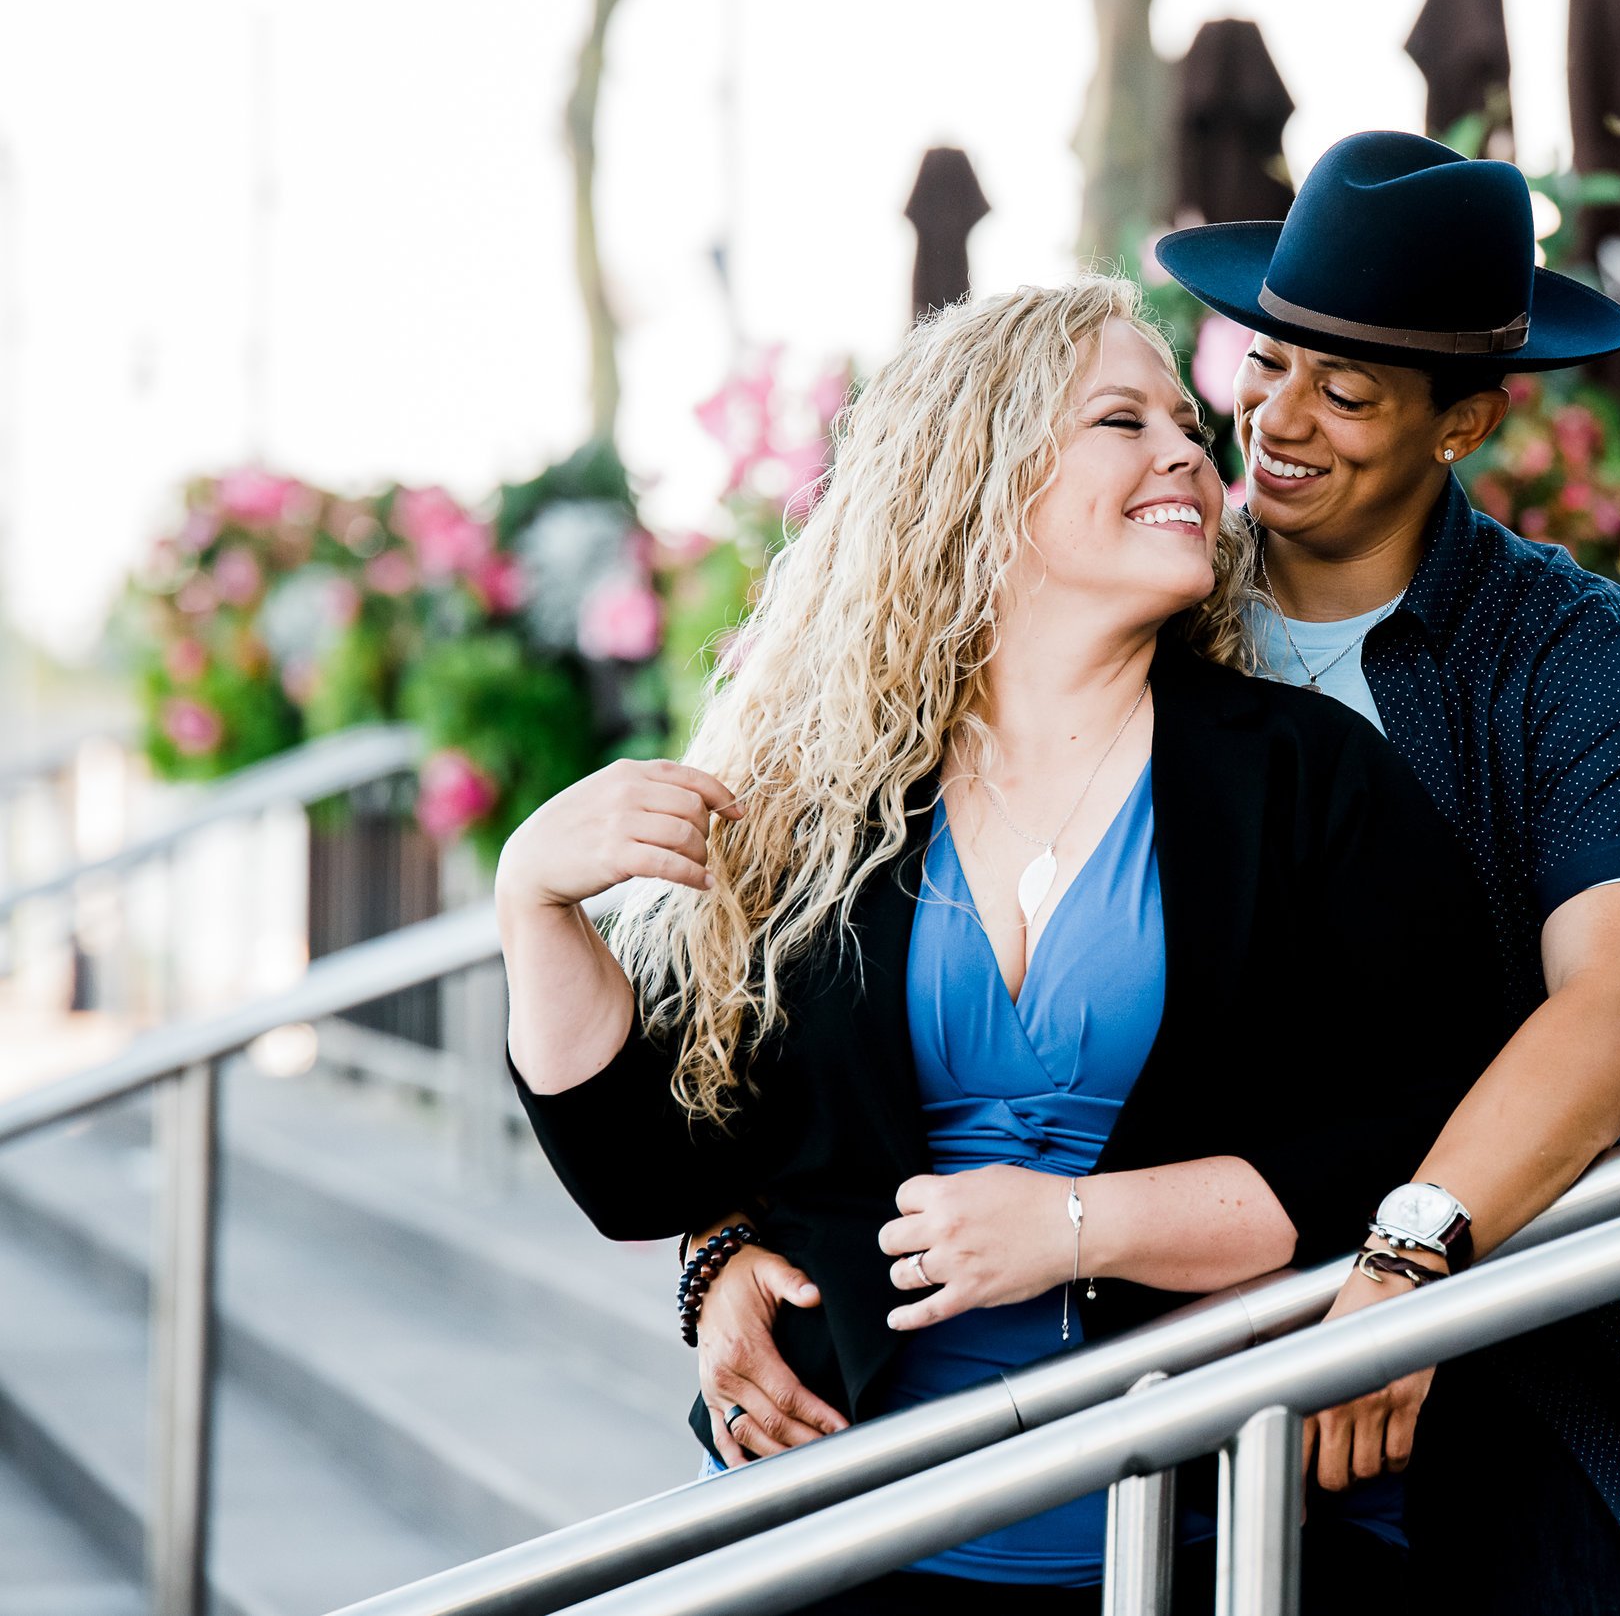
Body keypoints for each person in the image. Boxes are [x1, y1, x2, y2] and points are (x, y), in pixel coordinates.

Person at [495, 276, 1500, 1615]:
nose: (1189, 452)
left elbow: (1426, 1123)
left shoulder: (1308, 779)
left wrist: (1080, 1225)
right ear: (982, 474)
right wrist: (535, 906)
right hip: (842, 1528)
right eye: (1121, 420)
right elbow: (644, 1171)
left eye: (1185, 424)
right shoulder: (821, 802)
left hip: (1205, 1538)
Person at [1152, 129, 1620, 1615]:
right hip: (1153, 1356)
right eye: (1272, 358)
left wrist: (1408, 1262)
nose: (1279, 418)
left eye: (1347, 391)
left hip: (1486, 1346)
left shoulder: (1573, 651)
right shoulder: (1139, 614)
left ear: (1466, 422)